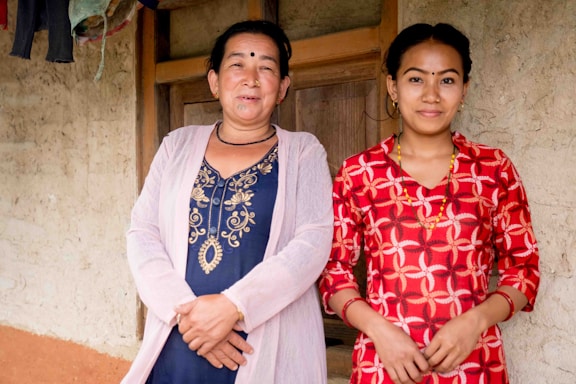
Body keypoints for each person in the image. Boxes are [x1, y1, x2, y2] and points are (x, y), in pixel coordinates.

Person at [319, 23, 540, 384]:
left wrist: (476, 321)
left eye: (448, 80)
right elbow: (334, 272)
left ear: (464, 88)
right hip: (384, 363)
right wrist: (379, 331)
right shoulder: (359, 172)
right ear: (393, 86)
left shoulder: (492, 168)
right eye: (416, 79)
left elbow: (524, 270)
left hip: (475, 363)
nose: (432, 95)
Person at [122, 20, 333, 384]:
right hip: (180, 340)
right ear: (214, 81)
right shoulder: (177, 145)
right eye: (237, 64)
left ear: (282, 87)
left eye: (266, 67)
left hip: (263, 343)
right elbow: (143, 232)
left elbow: (313, 241)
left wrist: (234, 307)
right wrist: (189, 318)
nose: (251, 78)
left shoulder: (303, 152)